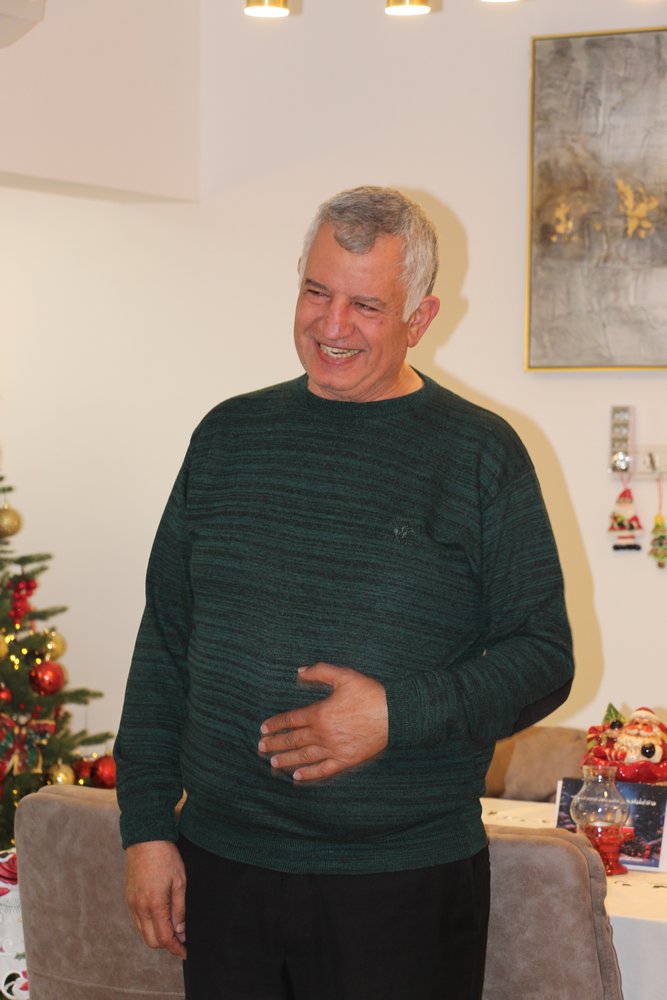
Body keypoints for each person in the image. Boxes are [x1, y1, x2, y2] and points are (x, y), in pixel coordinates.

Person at [114, 186, 574, 1000]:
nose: (331, 326)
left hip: (400, 888)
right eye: (316, 292)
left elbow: (543, 658)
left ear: (419, 318)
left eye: (366, 305)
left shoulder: (479, 454)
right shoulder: (227, 437)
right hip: (223, 871)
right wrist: (146, 830)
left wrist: (396, 713)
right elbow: (166, 645)